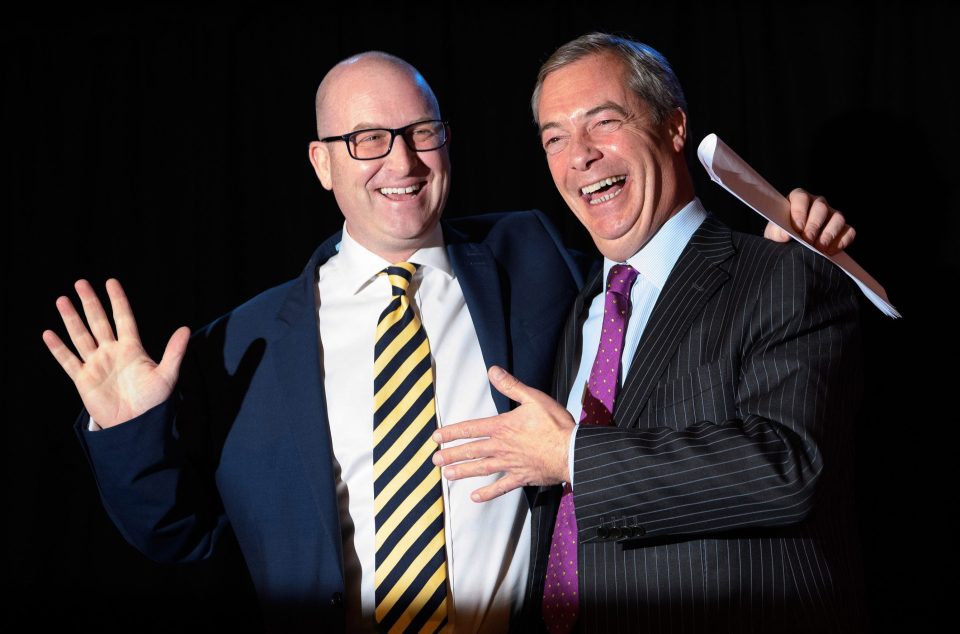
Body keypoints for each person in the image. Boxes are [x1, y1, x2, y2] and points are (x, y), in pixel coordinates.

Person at [44, 49, 852, 633]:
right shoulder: (245, 341)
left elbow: (658, 268)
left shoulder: (535, 259)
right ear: (322, 164)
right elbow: (179, 534)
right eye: (366, 139)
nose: (398, 159)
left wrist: (777, 237)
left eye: (419, 132)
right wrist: (131, 432)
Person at [432, 33, 864, 633]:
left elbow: (788, 467)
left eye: (603, 122)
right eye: (554, 138)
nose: (578, 155)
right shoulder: (575, 306)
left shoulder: (784, 268)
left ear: (675, 127)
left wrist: (571, 456)